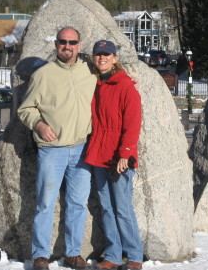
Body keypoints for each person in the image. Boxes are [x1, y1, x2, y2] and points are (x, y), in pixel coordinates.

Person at [17, 27, 97, 270]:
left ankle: (73, 253)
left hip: (82, 148)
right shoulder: (43, 75)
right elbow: (25, 109)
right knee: (45, 203)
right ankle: (41, 254)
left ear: (79, 46)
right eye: (63, 42)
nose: (67, 46)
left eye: (72, 42)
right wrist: (39, 125)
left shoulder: (90, 71)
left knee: (77, 204)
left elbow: (113, 74)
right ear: (56, 44)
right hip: (52, 149)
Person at [85, 40, 143, 270]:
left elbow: (132, 123)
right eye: (98, 54)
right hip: (99, 154)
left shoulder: (125, 85)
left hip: (119, 158)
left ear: (114, 58)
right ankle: (113, 255)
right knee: (106, 208)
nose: (102, 58)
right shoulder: (95, 83)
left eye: (106, 54)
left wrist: (125, 154)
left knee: (122, 208)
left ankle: (135, 256)